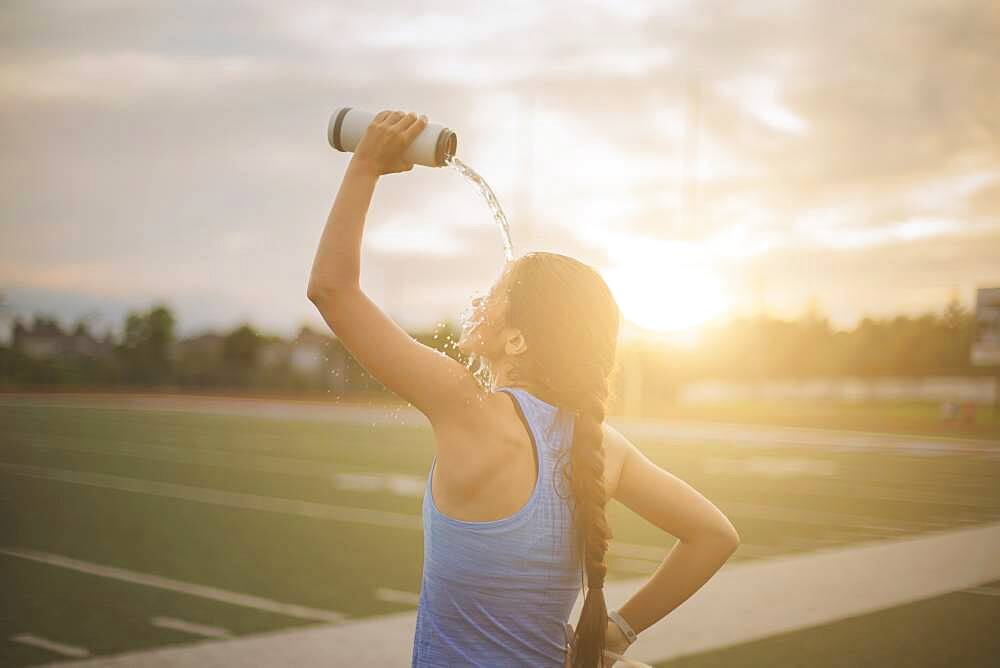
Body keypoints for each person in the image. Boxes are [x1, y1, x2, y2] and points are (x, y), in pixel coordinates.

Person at [307, 110, 741, 668]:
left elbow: (331, 290)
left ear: (516, 341)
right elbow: (714, 534)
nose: (477, 300)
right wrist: (617, 633)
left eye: (495, 292)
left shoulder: (464, 404)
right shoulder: (602, 445)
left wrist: (365, 164)